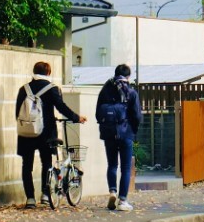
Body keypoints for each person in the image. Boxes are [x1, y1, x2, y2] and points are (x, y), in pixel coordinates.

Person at [13, 61, 82, 208]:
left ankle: (30, 198)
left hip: (26, 133)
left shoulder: (23, 89)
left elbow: (17, 112)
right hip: (46, 133)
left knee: (27, 165)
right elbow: (61, 107)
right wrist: (77, 117)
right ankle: (45, 195)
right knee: (47, 163)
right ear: (48, 73)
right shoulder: (52, 89)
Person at [94, 64, 143, 211]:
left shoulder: (105, 90)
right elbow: (137, 116)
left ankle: (112, 191)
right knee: (126, 168)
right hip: (126, 133)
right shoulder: (131, 92)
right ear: (128, 76)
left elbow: (98, 114)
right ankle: (122, 201)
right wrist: (133, 130)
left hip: (109, 133)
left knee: (112, 164)